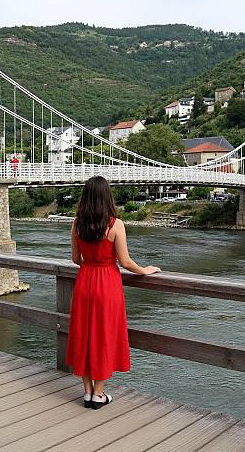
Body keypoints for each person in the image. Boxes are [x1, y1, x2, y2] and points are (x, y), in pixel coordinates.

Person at [66, 176, 160, 410]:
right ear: (108, 196)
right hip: (108, 283)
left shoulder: (77, 223)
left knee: (84, 336)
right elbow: (125, 262)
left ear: (85, 197)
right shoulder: (115, 224)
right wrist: (145, 270)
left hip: (85, 281)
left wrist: (91, 266)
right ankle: (99, 393)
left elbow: (76, 259)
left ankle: (87, 393)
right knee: (104, 336)